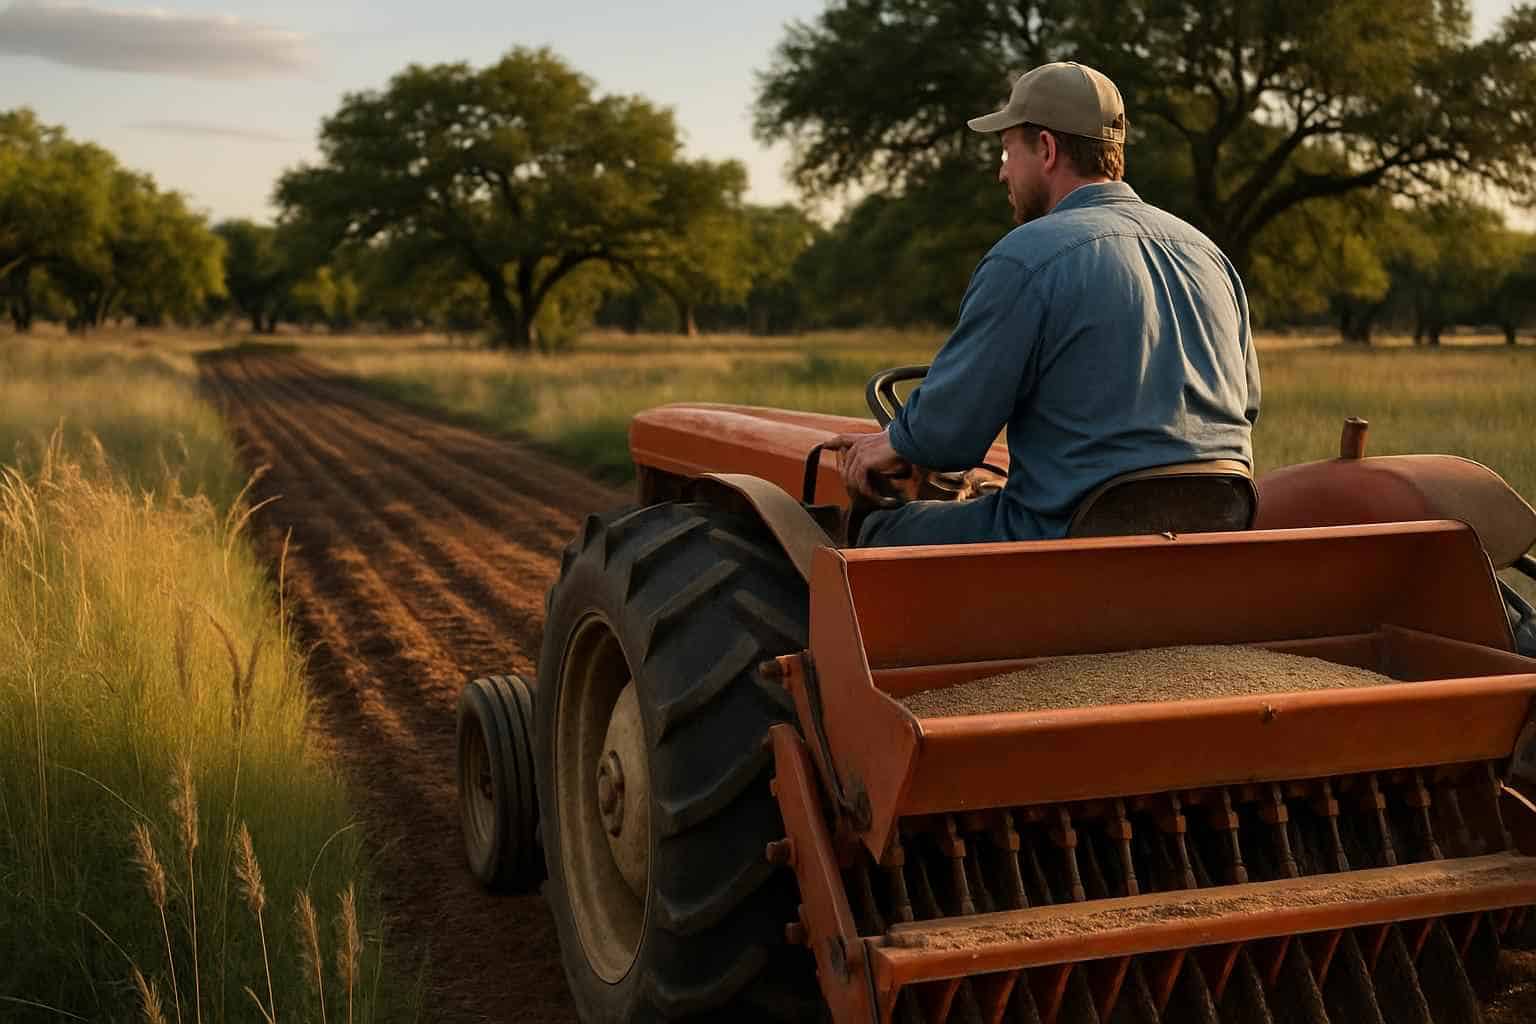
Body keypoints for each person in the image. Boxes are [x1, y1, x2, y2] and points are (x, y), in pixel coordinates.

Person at [825, 61, 1260, 546]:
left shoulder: (1027, 256)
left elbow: (949, 439)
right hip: (1215, 532)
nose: (1002, 172)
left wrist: (893, 441)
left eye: (1009, 150)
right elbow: (1247, 408)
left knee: (873, 529)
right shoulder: (1207, 255)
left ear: (1047, 149)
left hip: (1062, 538)